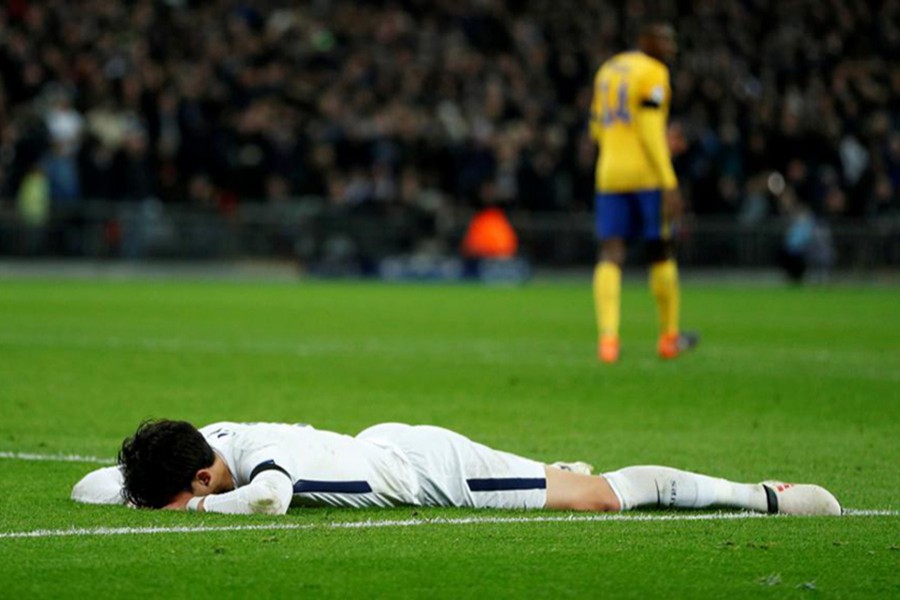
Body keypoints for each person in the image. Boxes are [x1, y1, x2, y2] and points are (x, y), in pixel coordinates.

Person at [72, 419, 841, 517]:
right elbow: (94, 483)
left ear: (202, 483)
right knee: (557, 478)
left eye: (175, 502)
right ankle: (547, 466)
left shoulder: (259, 466)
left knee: (602, 500)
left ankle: (759, 497)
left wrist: (192, 516)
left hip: (433, 472)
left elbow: (271, 500)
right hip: (378, 445)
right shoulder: (203, 441)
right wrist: (129, 493)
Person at [589, 20, 698, 363]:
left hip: (609, 172)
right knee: (660, 251)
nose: (671, 48)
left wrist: (616, 148)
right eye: (664, 40)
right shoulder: (653, 73)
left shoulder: (607, 70)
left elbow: (596, 127)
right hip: (647, 174)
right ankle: (668, 337)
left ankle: (608, 341)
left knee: (610, 252)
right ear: (645, 40)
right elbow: (651, 129)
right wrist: (668, 180)